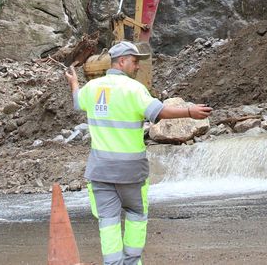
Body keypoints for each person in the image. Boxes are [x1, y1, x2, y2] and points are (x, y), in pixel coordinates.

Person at [65, 41, 213, 265]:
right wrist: (190, 111)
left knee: (108, 221)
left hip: (100, 172)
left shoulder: (93, 88)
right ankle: (132, 262)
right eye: (134, 62)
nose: (137, 67)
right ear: (121, 61)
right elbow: (159, 112)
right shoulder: (134, 89)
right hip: (131, 173)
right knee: (135, 216)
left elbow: (77, 102)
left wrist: (74, 83)